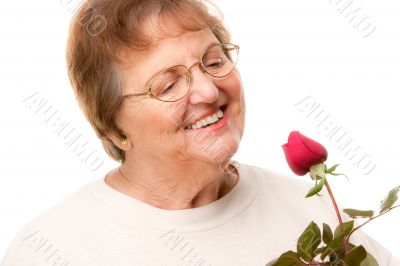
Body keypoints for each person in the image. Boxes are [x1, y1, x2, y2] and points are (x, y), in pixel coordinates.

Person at [1, 0, 399, 265]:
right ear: (113, 127)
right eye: (168, 85)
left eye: (213, 60)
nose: (209, 90)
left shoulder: (312, 211)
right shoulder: (52, 247)